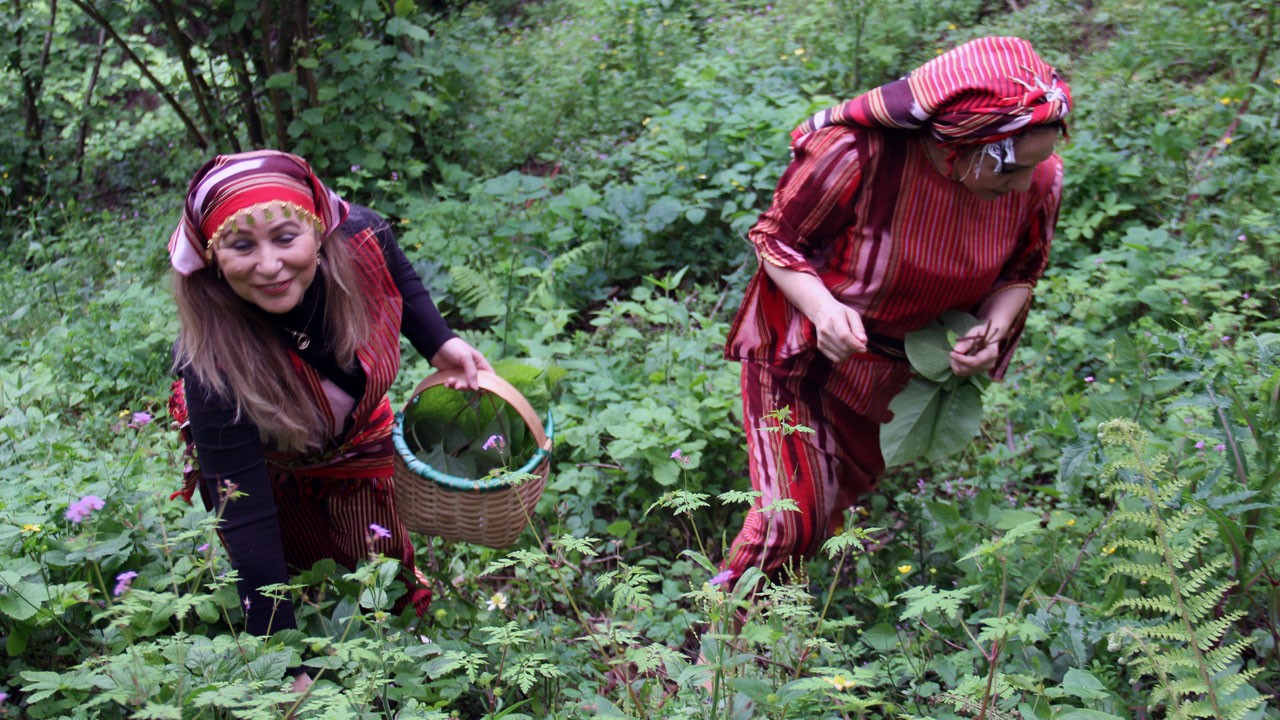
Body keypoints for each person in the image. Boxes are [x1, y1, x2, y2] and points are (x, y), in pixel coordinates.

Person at [719, 37, 1072, 590]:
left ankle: (779, 629)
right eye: (1009, 171)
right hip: (805, 357)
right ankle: (718, 651)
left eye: (1037, 164)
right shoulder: (856, 154)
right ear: (962, 146)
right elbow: (776, 241)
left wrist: (996, 325)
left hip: (894, 376)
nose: (1026, 183)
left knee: (827, 509)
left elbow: (1022, 271)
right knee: (789, 520)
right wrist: (825, 311)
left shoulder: (1039, 181)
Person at [165, 150, 491, 683]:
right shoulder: (213, 367)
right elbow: (244, 511)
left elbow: (399, 278)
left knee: (378, 567)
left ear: (319, 233)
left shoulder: (360, 239)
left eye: (285, 238)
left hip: (356, 437)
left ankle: (400, 639)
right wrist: (284, 657)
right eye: (242, 245)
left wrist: (440, 342)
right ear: (212, 255)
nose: (269, 265)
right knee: (296, 569)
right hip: (275, 463)